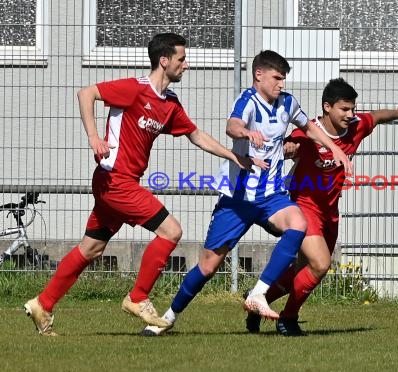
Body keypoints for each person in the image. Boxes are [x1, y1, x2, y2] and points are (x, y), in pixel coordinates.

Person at [24, 32, 263, 336]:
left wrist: (233, 155)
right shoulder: (134, 89)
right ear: (164, 61)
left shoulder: (169, 103)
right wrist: (94, 137)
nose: (186, 65)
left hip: (119, 183)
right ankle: (138, 298)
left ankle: (43, 304)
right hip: (115, 181)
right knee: (172, 230)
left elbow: (196, 135)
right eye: (181, 59)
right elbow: (86, 93)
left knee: (92, 247)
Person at [140, 50, 353, 336]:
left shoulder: (288, 103)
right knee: (208, 266)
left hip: (271, 196)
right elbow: (232, 125)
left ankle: (258, 294)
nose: (281, 84)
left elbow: (309, 127)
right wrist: (245, 133)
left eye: (284, 78)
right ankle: (167, 318)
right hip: (237, 199)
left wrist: (335, 147)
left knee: (298, 223)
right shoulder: (247, 101)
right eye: (277, 78)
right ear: (259, 75)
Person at [246, 78, 398, 336]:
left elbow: (377, 116)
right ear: (327, 107)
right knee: (321, 264)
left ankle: (258, 301)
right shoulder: (308, 131)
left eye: (352, 109)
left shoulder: (356, 127)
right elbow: (290, 143)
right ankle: (287, 319)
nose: (351, 114)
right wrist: (289, 148)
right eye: (344, 109)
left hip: (329, 211)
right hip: (303, 206)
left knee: (305, 271)